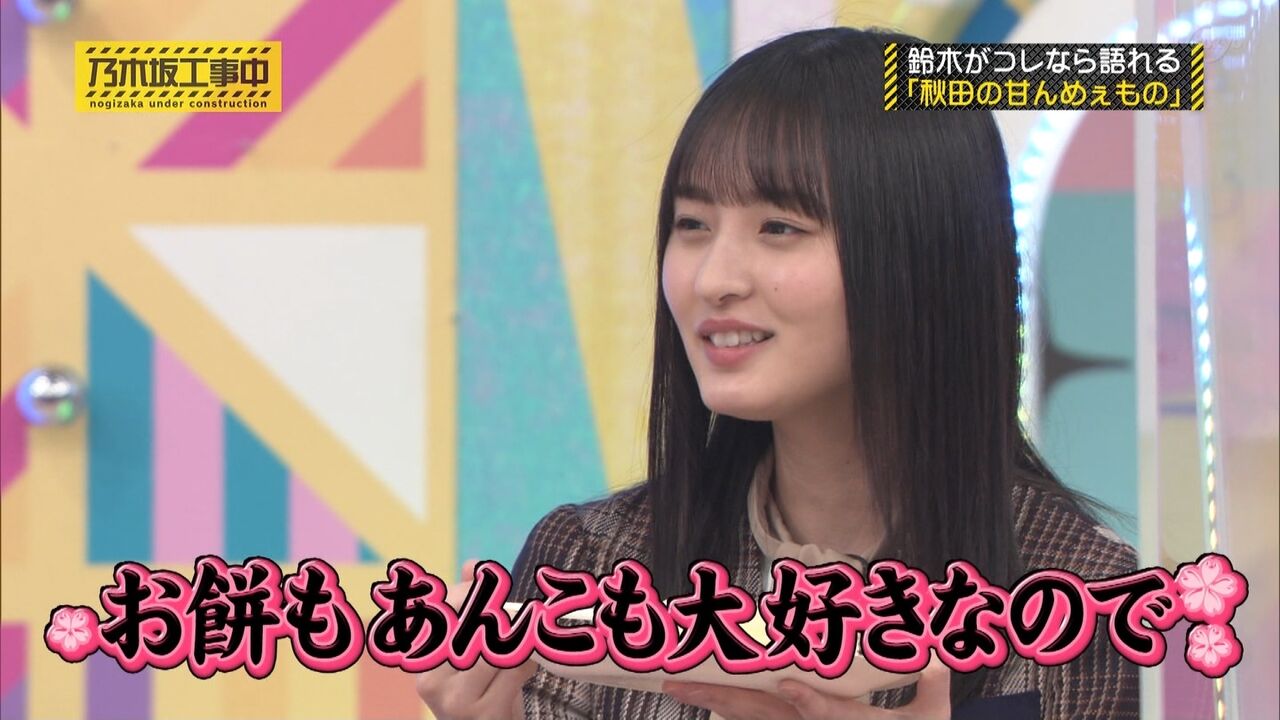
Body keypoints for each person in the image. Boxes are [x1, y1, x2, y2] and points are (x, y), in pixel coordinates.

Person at [418, 25, 1140, 720]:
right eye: (692, 224)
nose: (713, 279)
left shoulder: (1082, 604)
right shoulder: (594, 565)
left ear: (921, 257)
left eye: (779, 228)